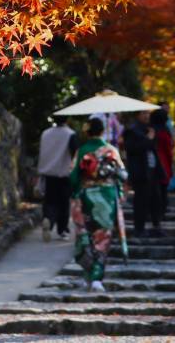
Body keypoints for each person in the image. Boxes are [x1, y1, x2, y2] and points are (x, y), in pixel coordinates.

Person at [70, 116, 128, 292]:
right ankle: (97, 277)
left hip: (87, 195)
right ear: (103, 131)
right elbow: (122, 175)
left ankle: (89, 275)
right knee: (103, 236)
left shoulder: (82, 150)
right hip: (107, 196)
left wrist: (75, 193)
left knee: (87, 235)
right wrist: (119, 191)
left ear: (88, 132)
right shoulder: (111, 151)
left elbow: (73, 177)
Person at [123, 112, 164, 236]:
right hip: (141, 171)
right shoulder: (132, 131)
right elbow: (132, 148)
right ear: (138, 115)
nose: (147, 116)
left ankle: (156, 226)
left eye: (147, 113)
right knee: (141, 200)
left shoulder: (149, 129)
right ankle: (139, 228)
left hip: (152, 169)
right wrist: (148, 139)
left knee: (156, 199)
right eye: (144, 113)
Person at [37, 117, 79, 241]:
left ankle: (48, 219)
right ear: (67, 119)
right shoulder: (70, 134)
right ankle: (62, 229)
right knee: (63, 203)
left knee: (49, 200)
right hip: (63, 173)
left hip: (48, 173)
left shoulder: (46, 133)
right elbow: (75, 154)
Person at [151, 108, 175, 218]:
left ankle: (154, 212)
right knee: (162, 190)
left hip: (151, 164)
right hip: (163, 163)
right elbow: (168, 151)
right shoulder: (164, 133)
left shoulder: (150, 131)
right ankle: (161, 212)